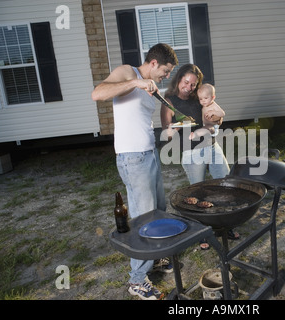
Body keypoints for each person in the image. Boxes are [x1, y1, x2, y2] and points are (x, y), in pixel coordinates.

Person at [92, 43, 178, 300]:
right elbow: (97, 93)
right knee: (144, 218)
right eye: (165, 71)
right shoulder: (128, 72)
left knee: (159, 208)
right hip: (132, 158)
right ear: (153, 63)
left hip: (149, 153)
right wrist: (135, 83)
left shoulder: (152, 86)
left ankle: (156, 257)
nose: (166, 76)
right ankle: (137, 281)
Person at [160, 64, 239, 250]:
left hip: (212, 146)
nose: (189, 87)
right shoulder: (169, 101)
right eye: (186, 82)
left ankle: (226, 225)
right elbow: (166, 134)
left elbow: (217, 117)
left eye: (193, 84)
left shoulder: (199, 97)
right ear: (179, 79)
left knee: (226, 184)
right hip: (191, 152)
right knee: (198, 193)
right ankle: (202, 232)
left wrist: (216, 119)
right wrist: (180, 124)